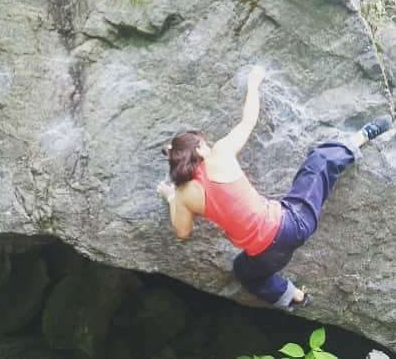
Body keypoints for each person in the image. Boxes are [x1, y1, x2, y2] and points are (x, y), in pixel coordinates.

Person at [157, 66, 393, 311]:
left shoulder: (184, 195)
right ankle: (361, 137)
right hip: (292, 225)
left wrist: (172, 196)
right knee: (317, 163)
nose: (208, 144)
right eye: (203, 143)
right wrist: (253, 83)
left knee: (244, 272)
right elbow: (248, 120)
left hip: (267, 256)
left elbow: (183, 232)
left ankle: (293, 297)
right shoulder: (220, 154)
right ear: (198, 151)